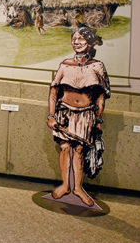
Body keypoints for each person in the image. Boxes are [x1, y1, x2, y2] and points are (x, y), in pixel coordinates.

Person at [47, 26, 110, 206]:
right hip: (65, 113)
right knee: (65, 148)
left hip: (85, 115)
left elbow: (101, 96)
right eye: (74, 39)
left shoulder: (98, 66)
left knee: (80, 150)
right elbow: (54, 92)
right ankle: (66, 185)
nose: (77, 42)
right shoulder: (65, 64)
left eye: (81, 39)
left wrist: (98, 119)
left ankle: (78, 188)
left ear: (90, 43)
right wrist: (51, 116)